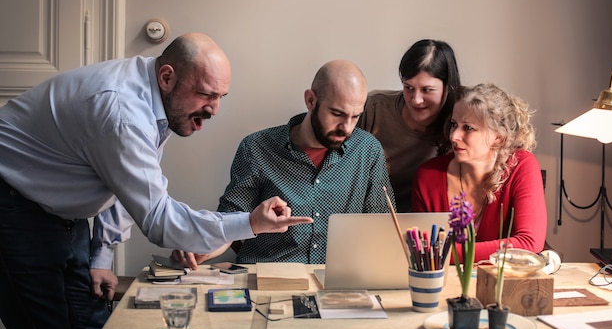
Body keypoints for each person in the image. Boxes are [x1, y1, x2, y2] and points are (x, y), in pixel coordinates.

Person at [0, 32, 313, 329]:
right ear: (167, 77)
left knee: (92, 328)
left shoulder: (152, 98)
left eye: (220, 97)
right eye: (206, 94)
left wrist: (101, 257)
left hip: (64, 214)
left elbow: (121, 181)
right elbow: (159, 220)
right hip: (13, 204)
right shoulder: (124, 114)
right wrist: (251, 223)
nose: (214, 109)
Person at [172, 60, 395, 268]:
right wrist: (203, 248)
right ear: (311, 100)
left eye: (355, 116)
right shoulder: (256, 148)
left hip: (336, 285)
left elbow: (381, 228)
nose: (346, 127)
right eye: (337, 113)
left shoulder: (367, 150)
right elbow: (232, 220)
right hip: (265, 281)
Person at [411, 83, 547, 262]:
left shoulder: (521, 165)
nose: (453, 136)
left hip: (503, 286)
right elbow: (421, 250)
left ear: (498, 137)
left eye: (468, 128)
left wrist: (446, 254)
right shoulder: (428, 176)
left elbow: (529, 243)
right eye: (454, 124)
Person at [357, 39, 461, 213]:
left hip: (430, 225)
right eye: (409, 87)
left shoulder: (461, 119)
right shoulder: (374, 108)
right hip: (372, 218)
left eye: (427, 90)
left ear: (447, 87)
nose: (416, 99)